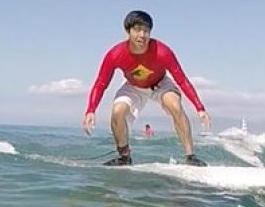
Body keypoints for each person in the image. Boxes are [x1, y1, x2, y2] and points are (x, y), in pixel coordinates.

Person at [82, 10, 210, 166]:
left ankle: (190, 156)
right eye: (137, 30)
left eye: (146, 30)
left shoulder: (162, 51)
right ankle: (124, 157)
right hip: (133, 86)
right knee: (117, 111)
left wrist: (200, 108)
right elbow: (101, 83)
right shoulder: (115, 54)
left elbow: (182, 80)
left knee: (174, 105)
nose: (142, 35)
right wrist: (91, 110)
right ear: (128, 31)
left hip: (161, 83)